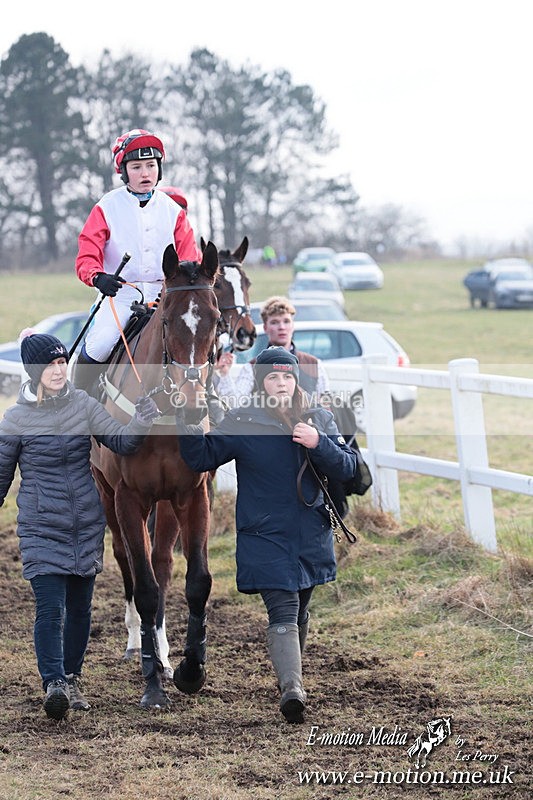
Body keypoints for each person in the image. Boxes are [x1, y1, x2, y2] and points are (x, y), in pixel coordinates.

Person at [175, 347, 357, 723]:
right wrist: (190, 419)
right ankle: (292, 690)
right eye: (273, 378)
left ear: (295, 380)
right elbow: (200, 458)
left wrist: (318, 442)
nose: (281, 384)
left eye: (287, 377)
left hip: (311, 532)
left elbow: (349, 467)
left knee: (302, 608)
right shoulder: (245, 421)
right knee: (284, 609)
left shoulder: (318, 416)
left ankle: (292, 679)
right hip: (265, 533)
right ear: (261, 382)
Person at [0, 333, 160, 720]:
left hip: (85, 524)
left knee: (80, 610)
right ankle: (53, 682)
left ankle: (71, 677)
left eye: (61, 363)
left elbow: (121, 442)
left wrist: (140, 420)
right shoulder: (16, 419)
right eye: (49, 365)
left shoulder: (84, 404)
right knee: (50, 609)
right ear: (33, 371)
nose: (57, 371)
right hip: (41, 525)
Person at [73, 129, 203, 391]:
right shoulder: (106, 206)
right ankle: (79, 407)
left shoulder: (174, 211)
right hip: (120, 296)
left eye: (151, 166)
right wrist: (98, 277)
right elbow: (87, 255)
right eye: (136, 167)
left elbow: (190, 259)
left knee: (197, 339)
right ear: (123, 171)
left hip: (166, 296)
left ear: (159, 169)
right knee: (100, 345)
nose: (145, 173)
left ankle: (204, 404)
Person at [215, 295, 330, 406]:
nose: (281, 327)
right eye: (274, 322)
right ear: (265, 328)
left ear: (292, 326)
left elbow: (326, 410)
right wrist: (224, 374)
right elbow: (235, 404)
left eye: (286, 321)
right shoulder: (252, 368)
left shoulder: (314, 364)